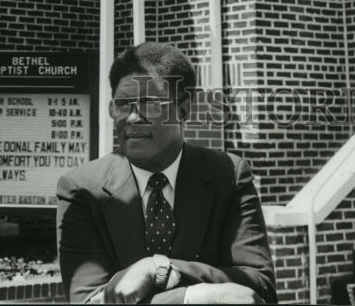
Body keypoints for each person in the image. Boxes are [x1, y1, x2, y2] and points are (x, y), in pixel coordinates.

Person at [57, 42, 277, 304]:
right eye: (123, 104)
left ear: (183, 110)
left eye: (150, 104)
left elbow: (260, 288)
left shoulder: (227, 175)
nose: (133, 118)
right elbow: (90, 301)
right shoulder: (82, 188)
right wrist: (193, 297)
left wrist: (160, 270)